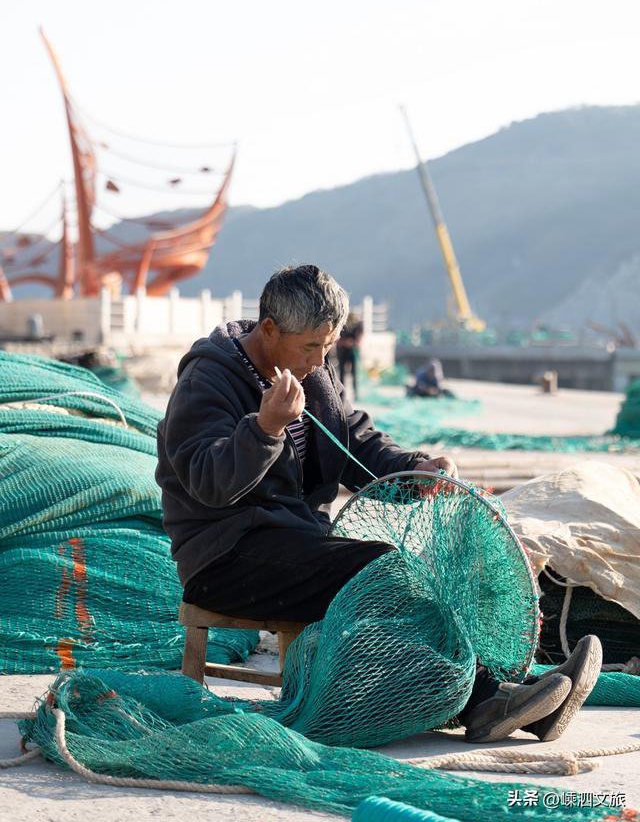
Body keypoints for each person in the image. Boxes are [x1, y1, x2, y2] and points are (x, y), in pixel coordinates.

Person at [156, 263, 601, 743]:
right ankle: (488, 700)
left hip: (297, 546)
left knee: (414, 571)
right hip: (226, 557)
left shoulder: (313, 373)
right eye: (309, 346)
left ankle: (514, 700)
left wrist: (418, 470)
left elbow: (359, 446)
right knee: (384, 569)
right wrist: (265, 429)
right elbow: (208, 482)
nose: (317, 360)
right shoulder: (208, 380)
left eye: (327, 347)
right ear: (269, 329)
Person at [335, 313, 364, 398]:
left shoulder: (358, 325)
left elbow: (359, 339)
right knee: (342, 373)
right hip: (342, 351)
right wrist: (345, 342)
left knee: (354, 373)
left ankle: (356, 393)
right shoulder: (341, 324)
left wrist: (352, 343)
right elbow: (337, 340)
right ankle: (341, 394)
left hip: (352, 352)